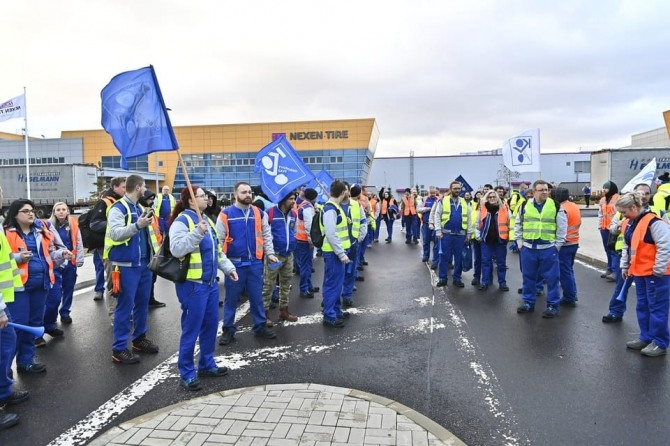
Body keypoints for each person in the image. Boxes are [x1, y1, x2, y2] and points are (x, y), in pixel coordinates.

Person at [169, 186, 238, 391]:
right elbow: (177, 249)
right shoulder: (183, 221)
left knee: (210, 327)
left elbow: (217, 251)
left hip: (209, 284)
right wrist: (197, 233)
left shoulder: (207, 219)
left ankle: (207, 364)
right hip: (193, 286)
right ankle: (187, 373)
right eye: (202, 196)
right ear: (191, 201)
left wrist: (228, 268)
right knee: (191, 330)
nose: (207, 199)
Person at [4, 199, 72, 373]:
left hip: (41, 284)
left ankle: (26, 361)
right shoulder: (6, 233)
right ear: (15, 214)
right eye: (25, 211)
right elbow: (3, 258)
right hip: (18, 287)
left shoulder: (41, 231)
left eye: (32, 210)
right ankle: (5, 368)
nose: (31, 213)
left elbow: (49, 254)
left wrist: (61, 254)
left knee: (34, 324)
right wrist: (18, 258)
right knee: (18, 327)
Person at [104, 175, 161, 364]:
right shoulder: (118, 208)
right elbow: (115, 233)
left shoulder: (140, 208)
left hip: (143, 264)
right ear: (137, 187)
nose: (145, 190)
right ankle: (119, 349)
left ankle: (139, 339)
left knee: (142, 305)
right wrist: (138, 225)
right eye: (144, 186)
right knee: (124, 308)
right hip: (126, 265)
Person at [216, 182, 278, 345]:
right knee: (231, 299)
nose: (248, 195)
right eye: (244, 192)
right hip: (234, 263)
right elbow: (219, 241)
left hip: (255, 263)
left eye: (250, 192)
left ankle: (260, 326)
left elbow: (266, 234)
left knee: (257, 297)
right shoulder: (225, 214)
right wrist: (224, 264)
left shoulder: (259, 213)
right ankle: (228, 329)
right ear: (235, 194)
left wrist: (270, 253)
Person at [618, 192, 670, 356]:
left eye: (624, 212)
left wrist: (658, 269)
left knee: (657, 308)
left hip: (656, 275)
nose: (622, 215)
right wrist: (625, 266)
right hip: (640, 273)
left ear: (633, 207)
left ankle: (660, 343)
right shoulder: (630, 223)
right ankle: (646, 337)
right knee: (643, 305)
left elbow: (665, 246)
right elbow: (627, 246)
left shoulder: (654, 223)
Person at [515, 180, 567, 318]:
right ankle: (528, 302)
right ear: (534, 192)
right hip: (528, 248)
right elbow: (518, 224)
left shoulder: (555, 205)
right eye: (541, 190)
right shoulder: (525, 205)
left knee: (552, 278)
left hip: (548, 248)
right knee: (528, 277)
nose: (545, 192)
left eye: (546, 190)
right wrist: (519, 241)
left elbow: (562, 227)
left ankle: (552, 305)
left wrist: (557, 245)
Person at [0, 185, 29, 427]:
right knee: (5, 344)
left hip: (3, 296)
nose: (1, 194)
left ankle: (3, 391)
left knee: (7, 343)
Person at [43, 202, 84, 335]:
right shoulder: (48, 226)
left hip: (70, 261)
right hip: (55, 263)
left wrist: (79, 259)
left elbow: (78, 242)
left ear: (67, 211)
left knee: (68, 288)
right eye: (58, 210)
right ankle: (51, 318)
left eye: (64, 209)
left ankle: (65, 312)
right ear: (54, 212)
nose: (61, 212)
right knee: (54, 293)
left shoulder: (73, 225)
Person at [89, 177, 126, 316]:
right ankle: (113, 314)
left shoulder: (121, 201)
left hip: (119, 247)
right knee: (113, 281)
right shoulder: (104, 202)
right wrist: (116, 225)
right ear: (115, 187)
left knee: (122, 281)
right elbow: (94, 224)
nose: (125, 189)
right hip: (107, 248)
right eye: (123, 187)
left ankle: (121, 312)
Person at [262, 192, 299, 325]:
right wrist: (269, 253)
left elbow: (294, 231)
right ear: (283, 200)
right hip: (274, 256)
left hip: (288, 255)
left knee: (286, 284)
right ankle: (264, 314)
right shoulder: (269, 213)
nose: (293, 201)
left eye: (294, 199)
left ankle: (284, 310)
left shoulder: (294, 214)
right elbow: (264, 233)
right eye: (291, 199)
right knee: (268, 285)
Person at [320, 180, 351, 327]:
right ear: (343, 192)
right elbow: (331, 234)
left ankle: (335, 310)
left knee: (336, 284)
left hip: (335, 253)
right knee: (332, 285)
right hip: (333, 254)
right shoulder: (331, 208)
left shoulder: (333, 207)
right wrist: (341, 253)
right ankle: (329, 315)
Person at [433, 181, 472, 288]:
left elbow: (469, 218)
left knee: (459, 258)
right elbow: (437, 215)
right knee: (444, 257)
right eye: (455, 188)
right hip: (446, 234)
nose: (457, 190)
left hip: (460, 235)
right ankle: (443, 278)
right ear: (451, 189)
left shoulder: (464, 202)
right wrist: (438, 230)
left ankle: (457, 278)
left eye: (459, 188)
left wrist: (469, 233)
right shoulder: (443, 200)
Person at [475, 190, 510, 291]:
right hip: (486, 239)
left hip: (500, 240)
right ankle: (485, 281)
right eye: (489, 197)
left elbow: (509, 222)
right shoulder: (482, 208)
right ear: (487, 198)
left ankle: (502, 283)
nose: (492, 198)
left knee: (501, 263)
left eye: (494, 196)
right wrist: (479, 235)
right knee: (485, 261)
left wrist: (509, 237)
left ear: (497, 197)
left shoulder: (504, 207)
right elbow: (478, 223)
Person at [341, 184, 367, 308]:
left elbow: (362, 222)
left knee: (350, 272)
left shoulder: (356, 205)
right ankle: (333, 298)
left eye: (347, 189)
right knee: (337, 274)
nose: (346, 192)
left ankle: (347, 295)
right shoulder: (333, 206)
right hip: (338, 247)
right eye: (344, 189)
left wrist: (358, 238)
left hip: (353, 244)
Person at [139, 190, 166, 309]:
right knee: (147, 279)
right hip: (149, 252)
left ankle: (150, 299)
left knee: (152, 278)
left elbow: (157, 230)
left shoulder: (151, 212)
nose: (151, 201)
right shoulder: (143, 212)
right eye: (149, 199)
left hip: (155, 250)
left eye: (152, 199)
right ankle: (146, 300)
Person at [555, 188, 581, 307]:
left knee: (565, 272)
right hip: (574, 242)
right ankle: (572, 293)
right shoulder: (574, 206)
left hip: (565, 243)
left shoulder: (562, 209)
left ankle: (569, 297)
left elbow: (561, 227)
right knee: (569, 270)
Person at [295, 188, 319, 298]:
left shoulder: (304, 205)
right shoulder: (307, 208)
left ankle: (308, 286)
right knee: (305, 266)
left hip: (302, 239)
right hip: (304, 240)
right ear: (313, 197)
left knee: (308, 265)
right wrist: (311, 241)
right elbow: (309, 226)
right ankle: (304, 288)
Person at [598, 181, 620, 280]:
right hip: (604, 228)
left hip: (614, 229)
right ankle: (610, 268)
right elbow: (600, 214)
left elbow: (621, 214)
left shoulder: (618, 199)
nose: (604, 190)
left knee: (614, 250)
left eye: (606, 188)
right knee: (607, 250)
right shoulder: (603, 200)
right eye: (603, 188)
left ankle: (615, 272)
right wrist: (600, 226)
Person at [418, 186, 439, 269]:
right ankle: (426, 256)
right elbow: (418, 209)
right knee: (426, 242)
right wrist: (427, 209)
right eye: (431, 193)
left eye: (434, 193)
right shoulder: (424, 199)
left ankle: (435, 261)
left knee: (436, 243)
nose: (433, 194)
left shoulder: (439, 200)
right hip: (426, 224)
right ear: (428, 192)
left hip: (436, 225)